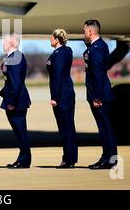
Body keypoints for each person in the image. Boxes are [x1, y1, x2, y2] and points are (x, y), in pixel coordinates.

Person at [83, 19, 118, 169]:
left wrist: (96, 96)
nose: (83, 33)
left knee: (105, 128)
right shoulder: (97, 46)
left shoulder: (97, 48)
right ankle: (107, 157)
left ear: (90, 31)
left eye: (84, 31)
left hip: (100, 95)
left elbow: (98, 73)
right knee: (103, 127)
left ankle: (109, 159)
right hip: (99, 93)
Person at [46, 29, 78, 168]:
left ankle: (67, 159)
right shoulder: (67, 50)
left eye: (51, 38)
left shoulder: (58, 54)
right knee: (69, 127)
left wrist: (54, 97)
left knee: (65, 128)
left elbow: (57, 76)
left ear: (57, 40)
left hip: (61, 95)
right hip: (68, 92)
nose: (50, 40)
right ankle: (71, 158)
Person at [0, 34, 31, 169]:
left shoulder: (16, 56)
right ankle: (23, 158)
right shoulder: (11, 57)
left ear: (12, 42)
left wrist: (11, 101)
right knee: (18, 131)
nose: (3, 44)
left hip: (16, 101)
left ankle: (24, 160)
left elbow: (16, 82)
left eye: (4, 41)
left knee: (20, 131)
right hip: (12, 98)